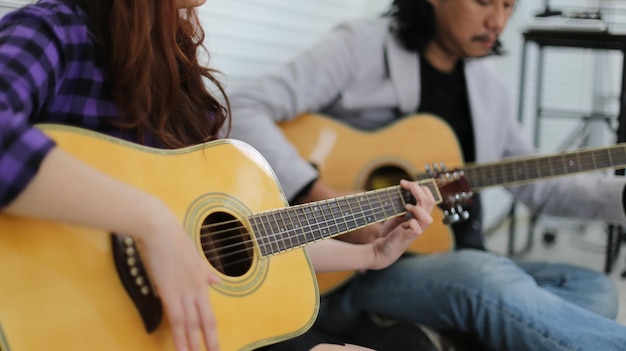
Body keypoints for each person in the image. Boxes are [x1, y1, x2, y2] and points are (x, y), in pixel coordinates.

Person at [0, 1, 437, 351]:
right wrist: (149, 220)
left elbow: (243, 238)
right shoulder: (54, 30)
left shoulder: (185, 80)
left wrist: (368, 255)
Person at [226, 0, 626, 350]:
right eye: (485, 2)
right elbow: (244, 108)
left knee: (594, 289)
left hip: (456, 256)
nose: (498, 22)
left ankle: (449, 329)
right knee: (487, 277)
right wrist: (321, 195)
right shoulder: (361, 46)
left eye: (509, 6)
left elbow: (542, 187)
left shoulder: (490, 90)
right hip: (362, 270)